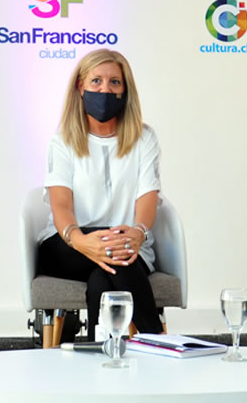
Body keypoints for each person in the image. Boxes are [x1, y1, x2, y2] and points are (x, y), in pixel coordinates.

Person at [36, 48, 165, 338]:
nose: (105, 89)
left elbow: (148, 197)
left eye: (114, 82)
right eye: (96, 81)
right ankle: (158, 341)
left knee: (102, 280)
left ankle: (98, 350)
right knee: (118, 260)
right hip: (68, 243)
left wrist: (139, 232)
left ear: (125, 90)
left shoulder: (144, 139)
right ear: (81, 87)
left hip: (128, 242)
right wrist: (81, 241)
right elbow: (61, 205)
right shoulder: (62, 141)